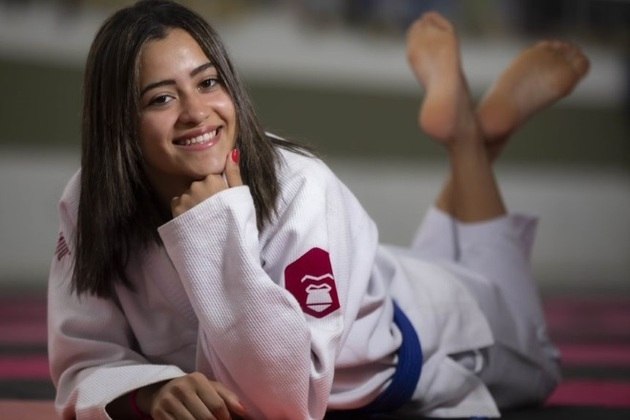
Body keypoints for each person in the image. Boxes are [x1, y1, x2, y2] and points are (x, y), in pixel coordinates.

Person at [46, 1, 590, 419]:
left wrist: (214, 229)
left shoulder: (300, 186)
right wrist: (149, 390)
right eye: (161, 98)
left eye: (208, 83)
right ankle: (469, 139)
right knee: (466, 259)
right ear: (118, 120)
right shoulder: (89, 201)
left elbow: (287, 400)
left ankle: (468, 141)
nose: (196, 112)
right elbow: (82, 359)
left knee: (539, 360)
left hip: (432, 331)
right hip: (367, 279)